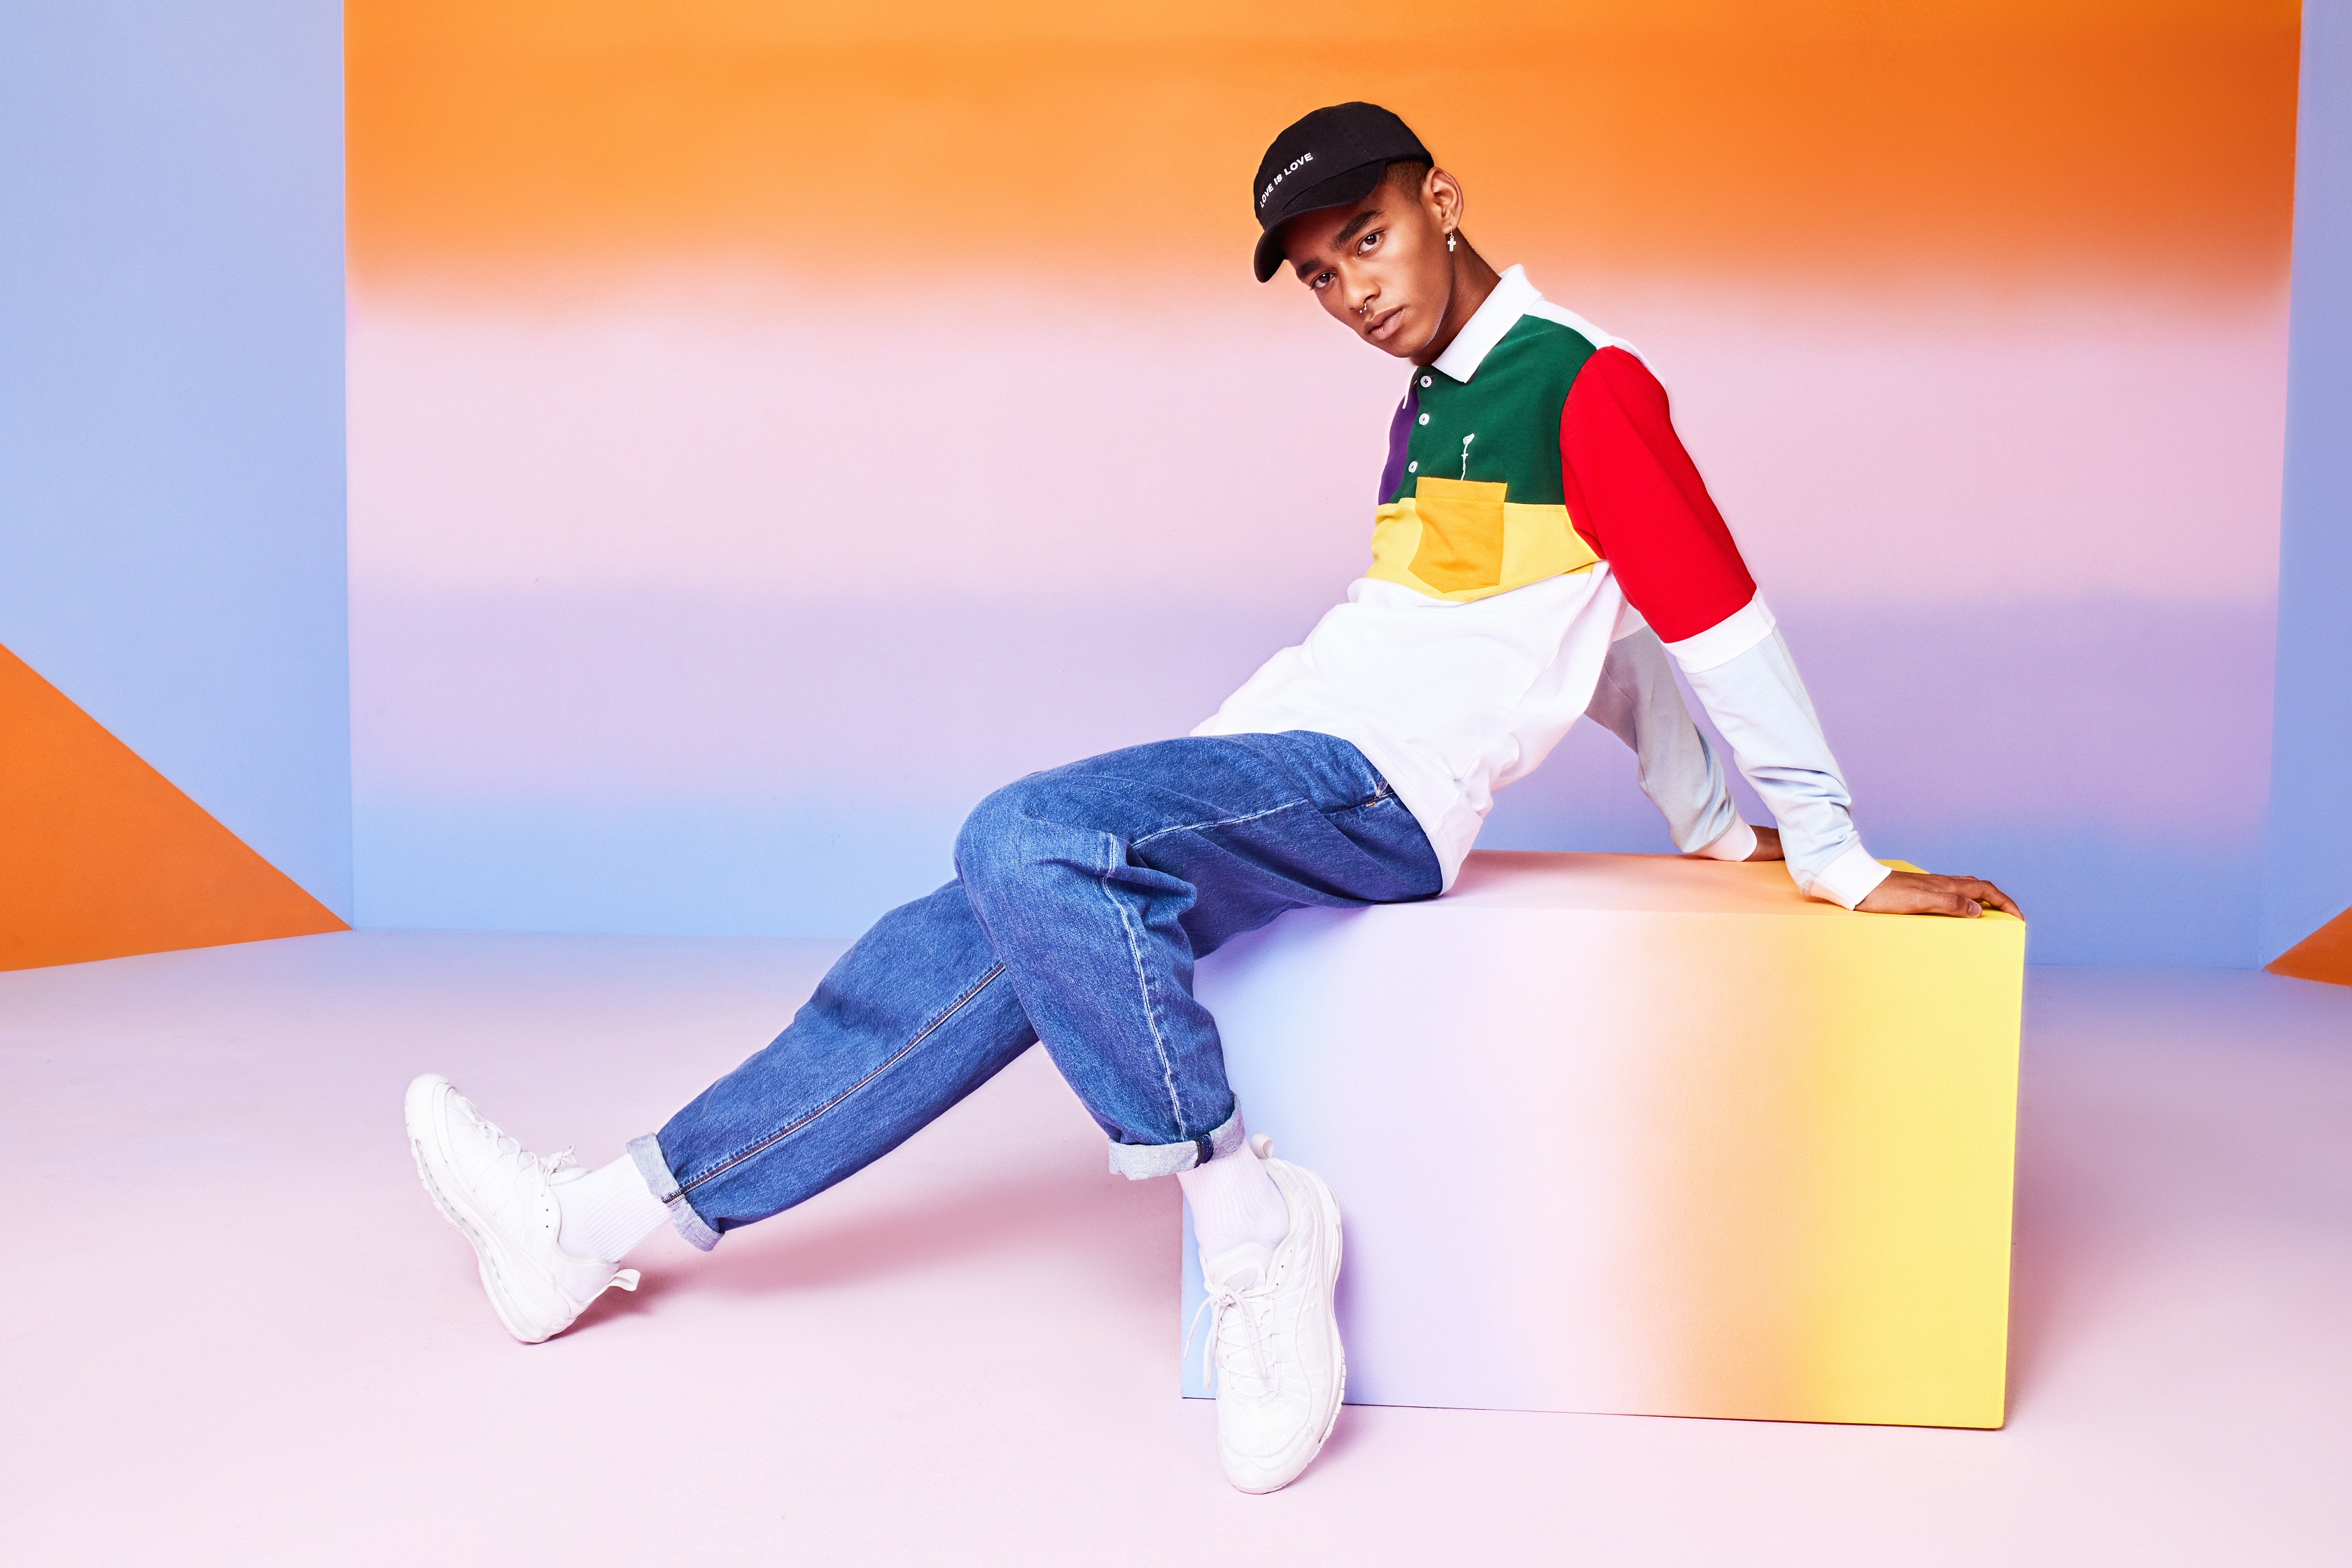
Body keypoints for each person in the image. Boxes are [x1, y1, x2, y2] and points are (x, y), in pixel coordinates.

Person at [404, 101, 2022, 1495]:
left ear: (1444, 200)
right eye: (1320, 275)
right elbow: (1588, 642)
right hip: (1278, 753)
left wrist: (1825, 850)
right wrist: (1706, 824)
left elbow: (1708, 619)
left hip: (1374, 795)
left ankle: (1251, 1227)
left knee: (1024, 832)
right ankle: (588, 1224)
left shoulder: (1587, 386)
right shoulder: (1432, 402)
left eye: (1368, 240)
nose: (1353, 291)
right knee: (986, 914)